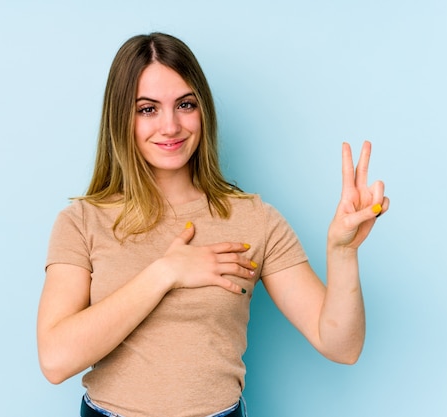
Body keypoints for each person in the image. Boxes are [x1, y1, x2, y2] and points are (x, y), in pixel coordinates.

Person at [36, 32, 389, 417]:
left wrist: (343, 252)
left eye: (185, 105)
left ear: (203, 111)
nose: (170, 126)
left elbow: (341, 345)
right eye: (147, 109)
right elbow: (55, 360)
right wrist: (165, 272)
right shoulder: (82, 221)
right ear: (121, 117)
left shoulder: (255, 219)